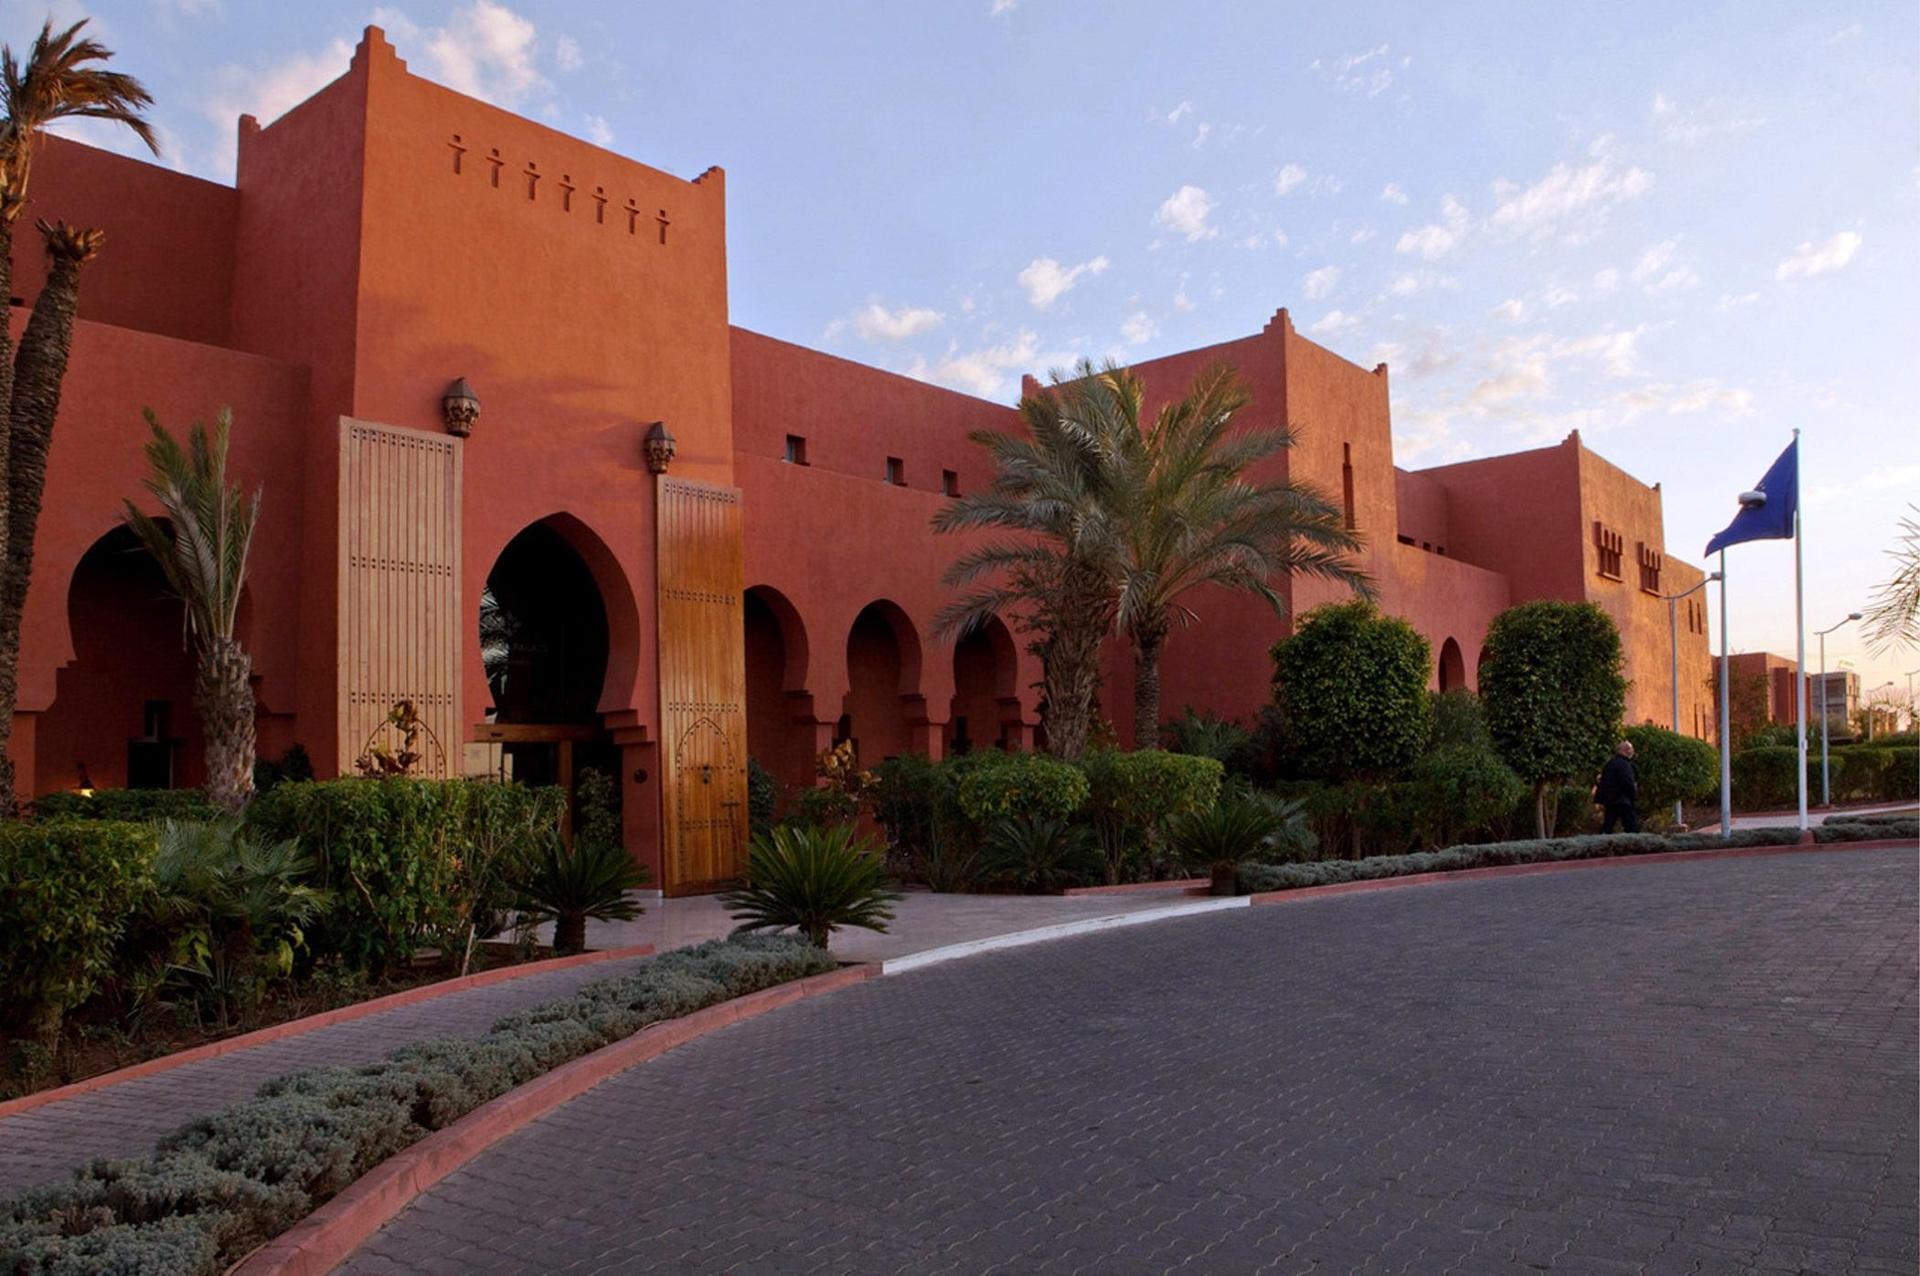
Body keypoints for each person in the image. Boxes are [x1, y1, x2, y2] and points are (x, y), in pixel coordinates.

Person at [1594, 739, 1640, 834]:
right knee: (1631, 826)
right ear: (1625, 751)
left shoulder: (1610, 764)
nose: (1631, 752)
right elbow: (1627, 782)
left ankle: (1602, 842)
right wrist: (1633, 795)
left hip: (1610, 800)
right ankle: (1634, 844)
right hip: (1623, 800)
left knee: (1608, 825)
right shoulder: (1624, 765)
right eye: (1630, 750)